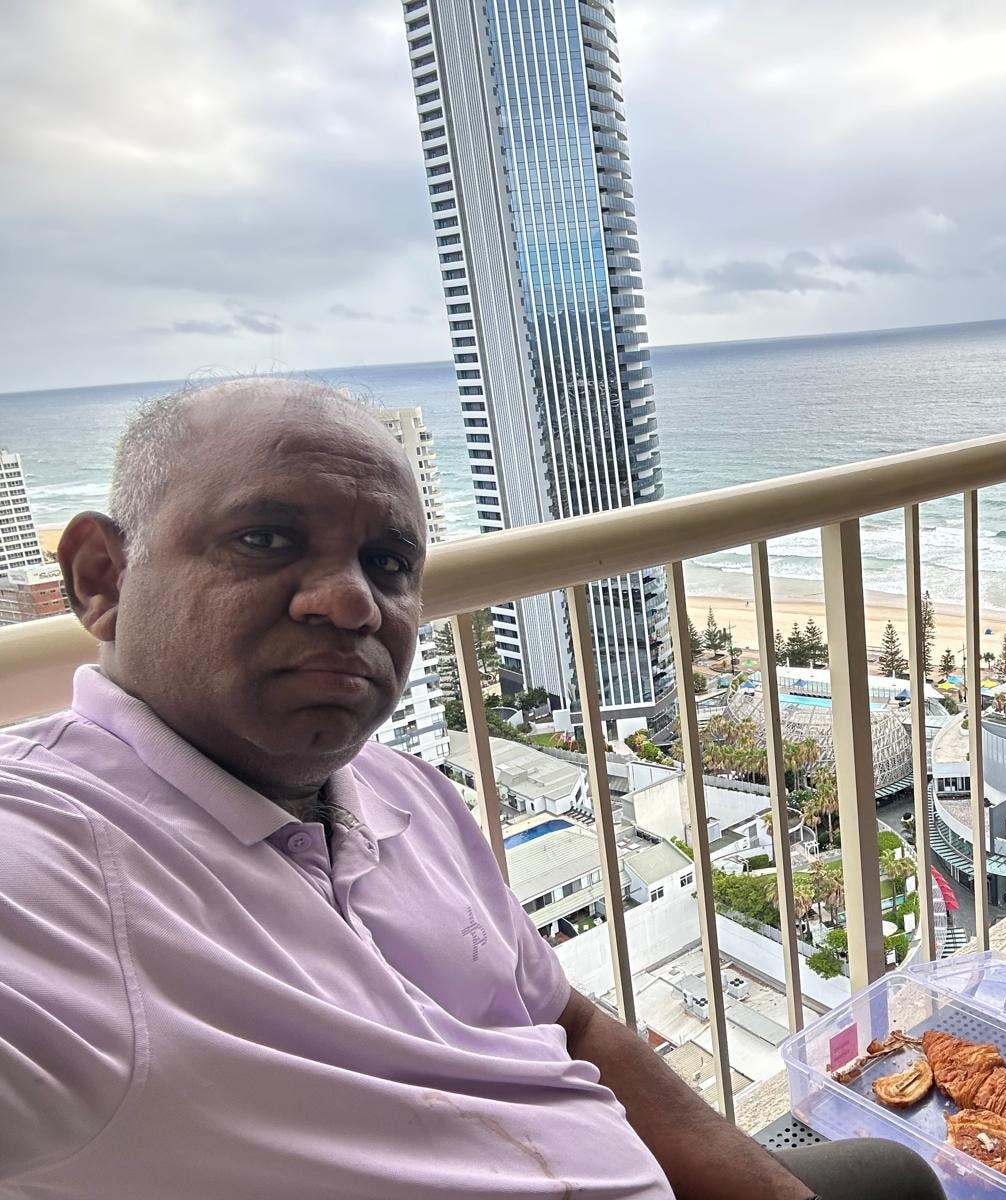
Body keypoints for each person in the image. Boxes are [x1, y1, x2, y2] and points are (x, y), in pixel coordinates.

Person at [0, 379, 944, 1200]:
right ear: (102, 577)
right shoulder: (51, 878)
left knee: (898, 1175)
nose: (349, 600)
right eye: (266, 537)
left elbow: (567, 1021)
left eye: (389, 563)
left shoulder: (399, 788)